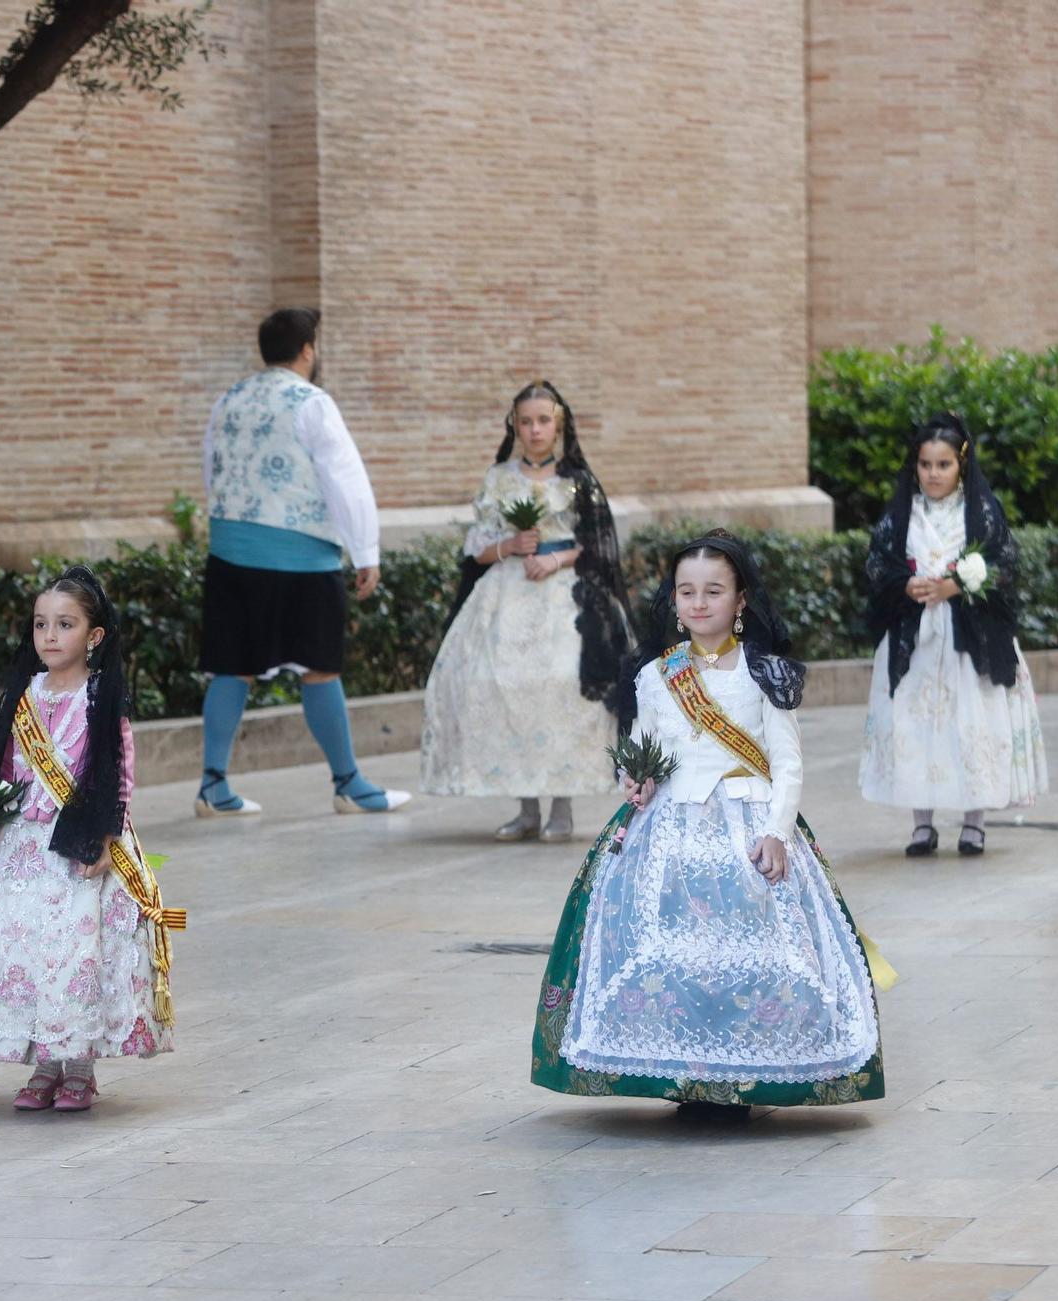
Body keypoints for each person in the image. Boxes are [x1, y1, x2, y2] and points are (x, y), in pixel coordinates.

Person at [531, 530, 885, 1114]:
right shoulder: (657, 674)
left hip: (748, 825)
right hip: (669, 828)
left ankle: (748, 1073)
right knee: (668, 952)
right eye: (686, 591)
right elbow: (644, 743)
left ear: (740, 600)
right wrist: (634, 777)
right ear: (672, 600)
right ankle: (683, 1073)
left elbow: (787, 762)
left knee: (756, 956)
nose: (699, 603)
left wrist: (777, 830)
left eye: (714, 591)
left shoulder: (764, 673)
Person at [0, 567, 180, 1112]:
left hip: (78, 848)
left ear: (94, 636)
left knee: (75, 951)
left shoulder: (100, 698)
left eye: (65, 624)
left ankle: (79, 1067)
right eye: (41, 624)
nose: (50, 636)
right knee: (29, 951)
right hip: (19, 849)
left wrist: (106, 839)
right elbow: (1, 768)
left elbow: (119, 773)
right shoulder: (24, 697)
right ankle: (44, 1064)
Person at [194, 307, 409, 818]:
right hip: (302, 557)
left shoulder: (228, 400)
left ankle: (213, 786)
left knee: (231, 667)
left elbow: (211, 468)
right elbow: (344, 478)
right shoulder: (312, 403)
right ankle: (348, 784)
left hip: (230, 552)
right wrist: (366, 551)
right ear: (308, 349)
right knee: (320, 669)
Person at [420, 382, 632, 842]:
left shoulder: (577, 479)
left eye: (543, 421)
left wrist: (555, 558)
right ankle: (526, 808)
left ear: (558, 425)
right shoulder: (499, 478)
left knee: (562, 687)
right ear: (514, 426)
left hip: (565, 597)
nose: (534, 430)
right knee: (503, 687)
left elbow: (597, 543)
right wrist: (510, 546)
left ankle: (562, 805)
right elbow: (475, 548)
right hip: (506, 591)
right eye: (526, 421)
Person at [860, 412, 1047, 855]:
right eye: (925, 465)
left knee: (970, 721)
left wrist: (957, 584)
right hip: (916, 635)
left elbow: (1003, 564)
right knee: (915, 721)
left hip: (967, 635)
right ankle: (921, 824)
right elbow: (878, 564)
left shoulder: (979, 510)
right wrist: (906, 585)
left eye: (943, 465)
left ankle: (974, 823)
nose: (933, 474)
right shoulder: (903, 513)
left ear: (961, 464)